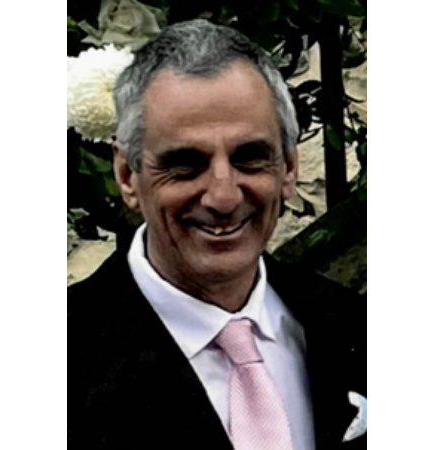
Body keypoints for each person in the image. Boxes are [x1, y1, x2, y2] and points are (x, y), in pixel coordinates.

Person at [68, 19, 366, 450]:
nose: (224, 197)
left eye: (250, 157)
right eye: (185, 164)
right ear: (127, 175)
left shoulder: (354, 326)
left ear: (288, 167)